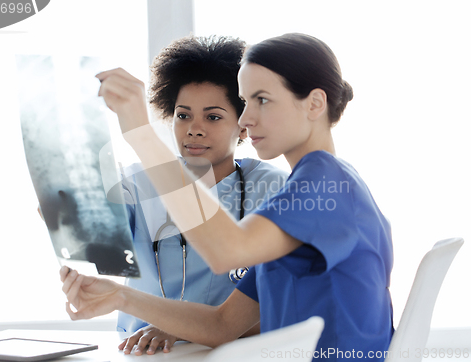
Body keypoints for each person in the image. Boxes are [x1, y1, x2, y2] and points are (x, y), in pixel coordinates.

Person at [61, 33, 393, 362]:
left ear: (315, 104)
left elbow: (226, 252)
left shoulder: (321, 185)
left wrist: (140, 134)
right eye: (246, 102)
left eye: (261, 99)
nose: (247, 119)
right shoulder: (312, 188)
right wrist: (121, 296)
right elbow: (223, 325)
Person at [115, 35, 288, 354]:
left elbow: (282, 306)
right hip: (141, 353)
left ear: (243, 124)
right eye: (183, 115)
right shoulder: (139, 181)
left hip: (234, 352)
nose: (194, 129)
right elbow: (91, 233)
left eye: (213, 116)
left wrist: (183, 329)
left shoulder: (272, 188)